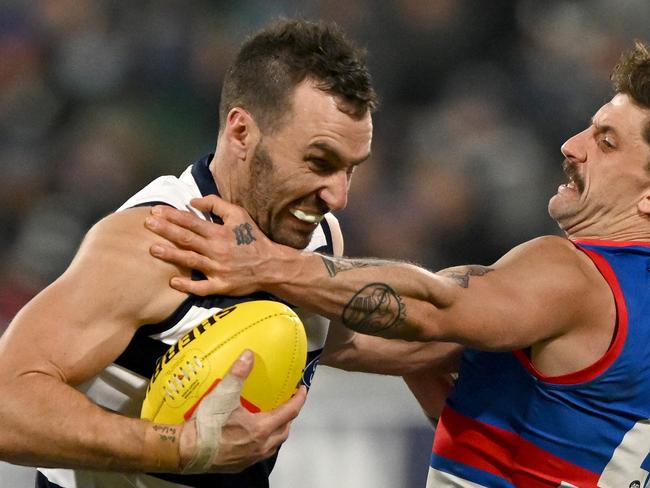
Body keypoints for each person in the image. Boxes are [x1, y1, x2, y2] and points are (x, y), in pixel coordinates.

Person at [144, 40, 650, 487]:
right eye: (589, 128)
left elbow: (433, 307)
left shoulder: (577, 278)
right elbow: (406, 341)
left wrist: (263, 263)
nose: (572, 147)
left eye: (606, 142)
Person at [0, 18, 458, 488]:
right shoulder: (157, 243)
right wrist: (181, 447)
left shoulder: (318, 238)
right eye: (319, 162)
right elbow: (6, 408)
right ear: (241, 132)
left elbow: (352, 338)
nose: (337, 196)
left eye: (350, 169)